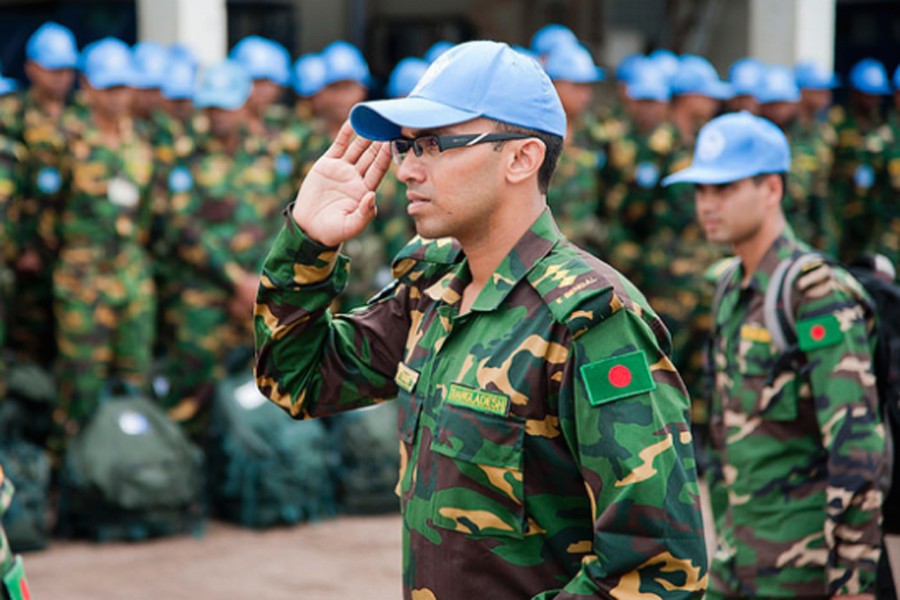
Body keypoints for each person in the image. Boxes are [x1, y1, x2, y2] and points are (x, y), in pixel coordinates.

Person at [255, 40, 707, 598]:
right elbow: (297, 378)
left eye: (433, 145)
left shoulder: (589, 321)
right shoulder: (434, 290)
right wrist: (307, 246)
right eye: (406, 147)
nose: (407, 170)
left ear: (521, 159)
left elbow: (657, 569)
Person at [664, 111, 886, 598]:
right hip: (735, 561)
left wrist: (854, 584)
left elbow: (858, 449)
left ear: (771, 189)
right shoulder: (730, 287)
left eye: (725, 188)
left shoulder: (815, 293)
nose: (708, 204)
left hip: (802, 568)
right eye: (701, 190)